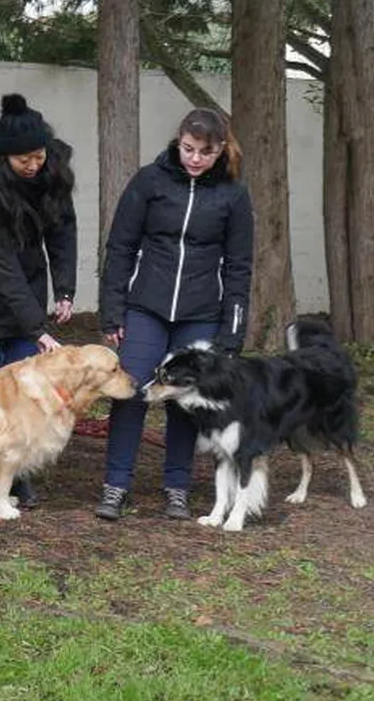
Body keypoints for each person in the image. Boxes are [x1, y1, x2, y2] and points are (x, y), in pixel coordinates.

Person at [94, 106, 254, 521]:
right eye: (188, 148)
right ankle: (116, 484)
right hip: (145, 307)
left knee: (185, 400)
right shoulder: (149, 181)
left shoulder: (234, 196)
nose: (195, 158)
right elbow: (120, 249)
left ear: (221, 149)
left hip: (201, 313)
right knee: (130, 392)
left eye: (205, 151)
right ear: (178, 142)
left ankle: (177, 487)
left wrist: (232, 335)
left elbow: (239, 268)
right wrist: (113, 312)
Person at [0, 93, 78, 507]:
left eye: (38, 155)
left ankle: (15, 477)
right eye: (23, 159)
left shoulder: (52, 173)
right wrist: (36, 328)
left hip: (29, 287)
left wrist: (65, 287)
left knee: (26, 392)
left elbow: (63, 229)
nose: (33, 164)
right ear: (4, 157)